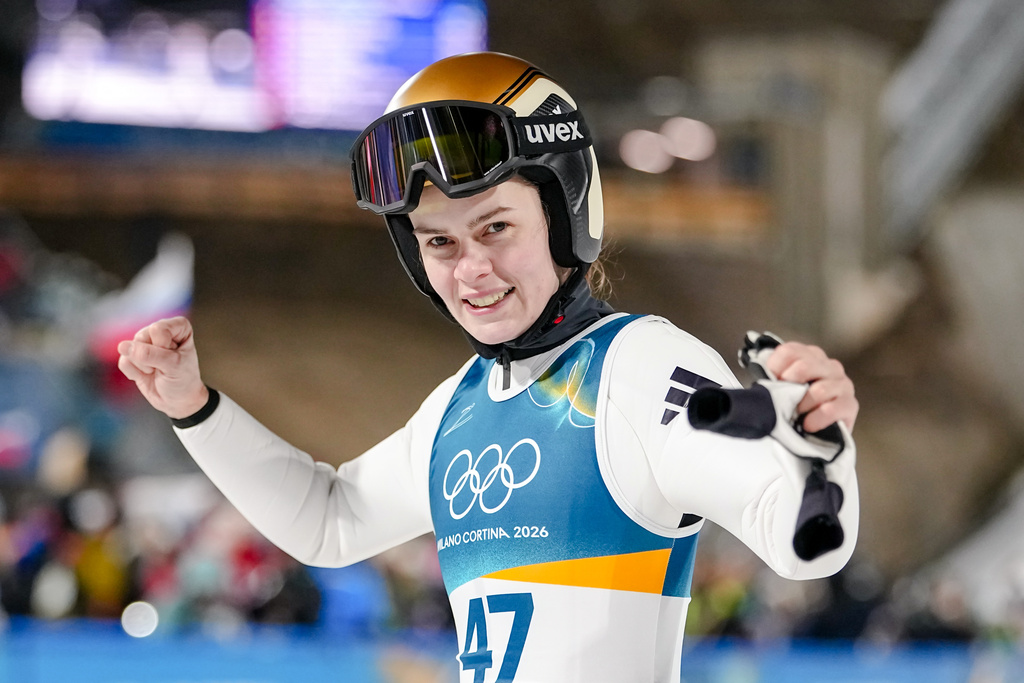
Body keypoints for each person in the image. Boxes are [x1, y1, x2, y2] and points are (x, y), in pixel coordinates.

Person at [117, 52, 859, 682]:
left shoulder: (637, 367)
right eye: (438, 242)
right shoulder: (459, 406)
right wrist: (194, 407)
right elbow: (329, 523)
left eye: (495, 227)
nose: (470, 269)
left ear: (564, 216)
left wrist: (821, 452)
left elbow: (801, 543)